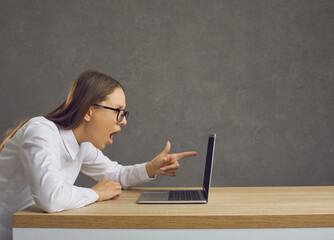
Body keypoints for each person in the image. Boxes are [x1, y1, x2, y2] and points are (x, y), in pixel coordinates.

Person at [0, 70, 198, 239]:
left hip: (33, 231)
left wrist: (150, 168)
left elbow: (116, 175)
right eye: (118, 111)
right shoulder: (40, 131)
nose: (123, 121)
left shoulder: (82, 145)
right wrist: (96, 194)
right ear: (88, 112)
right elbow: (51, 199)